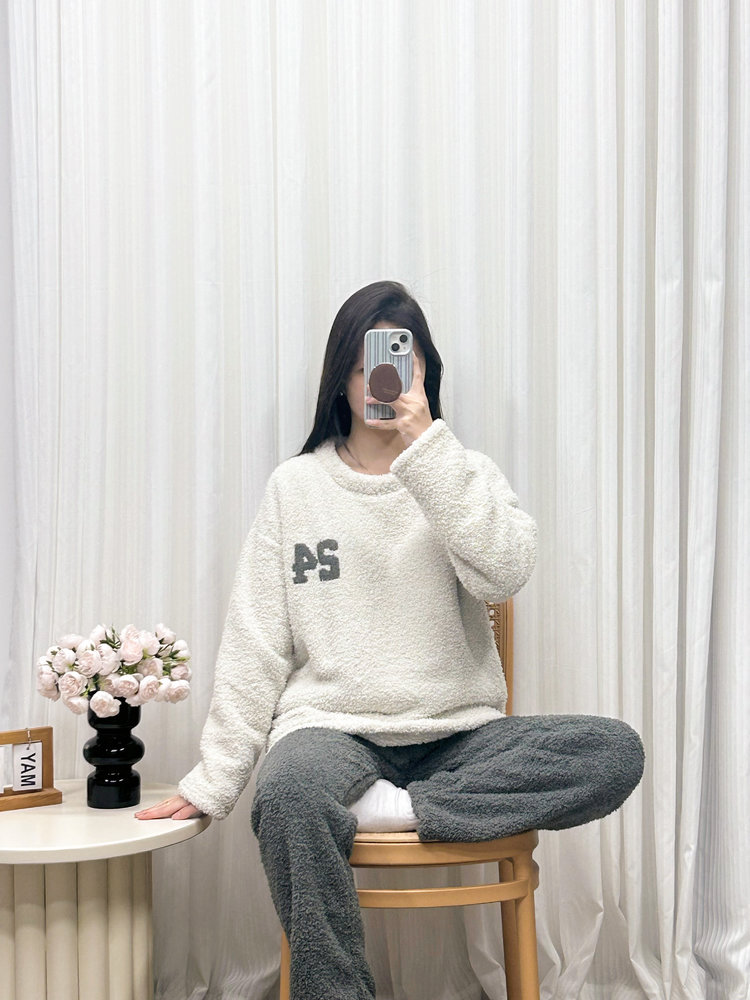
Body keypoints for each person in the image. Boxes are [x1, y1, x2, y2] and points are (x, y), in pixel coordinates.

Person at [137, 280, 644, 999]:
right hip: (334, 731)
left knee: (614, 751)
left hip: (458, 735)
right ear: (340, 379)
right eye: (365, 367)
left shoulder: (462, 473)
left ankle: (396, 805)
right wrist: (214, 781)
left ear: (423, 372)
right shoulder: (295, 489)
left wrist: (427, 448)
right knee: (286, 794)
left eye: (400, 364)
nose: (381, 383)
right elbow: (256, 642)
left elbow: (504, 574)